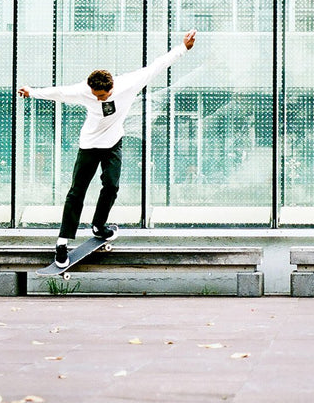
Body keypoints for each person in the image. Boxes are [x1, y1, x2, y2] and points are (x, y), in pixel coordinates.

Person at [18, 29, 197, 267]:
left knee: (111, 186)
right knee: (77, 192)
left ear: (111, 87)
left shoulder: (128, 84)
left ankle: (99, 225)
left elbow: (157, 65)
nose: (99, 99)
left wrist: (183, 48)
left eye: (102, 95)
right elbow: (59, 92)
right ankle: (62, 242)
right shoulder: (84, 91)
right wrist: (32, 92)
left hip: (113, 143)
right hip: (89, 145)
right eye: (95, 95)